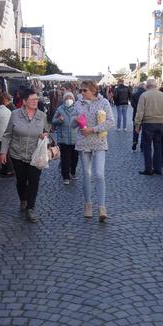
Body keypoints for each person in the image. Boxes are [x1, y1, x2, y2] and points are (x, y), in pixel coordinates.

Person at [0, 89, 50, 223]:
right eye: (32, 99)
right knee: (21, 181)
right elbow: (7, 135)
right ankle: (23, 199)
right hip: (17, 154)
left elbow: (46, 131)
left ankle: (30, 208)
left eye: (36, 99)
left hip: (35, 155)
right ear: (25, 101)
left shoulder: (41, 116)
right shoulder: (15, 115)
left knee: (34, 181)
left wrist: (45, 135)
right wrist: (3, 152)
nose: (35, 101)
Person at [73, 80, 115, 222]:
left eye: (85, 90)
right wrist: (76, 120)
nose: (82, 93)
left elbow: (110, 121)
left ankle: (102, 207)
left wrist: (93, 129)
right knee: (86, 174)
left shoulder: (104, 103)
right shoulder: (78, 103)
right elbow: (72, 124)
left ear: (93, 90)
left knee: (99, 174)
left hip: (99, 142)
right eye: (81, 90)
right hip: (83, 142)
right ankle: (88, 204)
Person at [133, 78, 163, 176]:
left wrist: (137, 124)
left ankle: (148, 169)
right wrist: (162, 120)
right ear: (155, 85)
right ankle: (158, 168)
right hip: (160, 124)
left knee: (147, 146)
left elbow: (140, 112)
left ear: (147, 86)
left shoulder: (144, 95)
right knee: (158, 146)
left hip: (148, 123)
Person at [52, 91, 79, 184]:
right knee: (65, 159)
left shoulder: (77, 108)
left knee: (75, 158)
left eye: (70, 98)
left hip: (75, 138)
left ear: (73, 99)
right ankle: (66, 177)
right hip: (63, 138)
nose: (69, 100)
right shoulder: (60, 109)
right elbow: (53, 121)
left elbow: (82, 120)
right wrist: (58, 120)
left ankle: (73, 172)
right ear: (64, 100)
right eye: (67, 98)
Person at [130, 81, 146, 151]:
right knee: (144, 131)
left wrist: (137, 108)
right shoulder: (146, 94)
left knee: (136, 129)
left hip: (136, 114)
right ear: (144, 87)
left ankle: (135, 141)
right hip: (145, 115)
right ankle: (142, 145)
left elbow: (132, 105)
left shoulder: (134, 94)